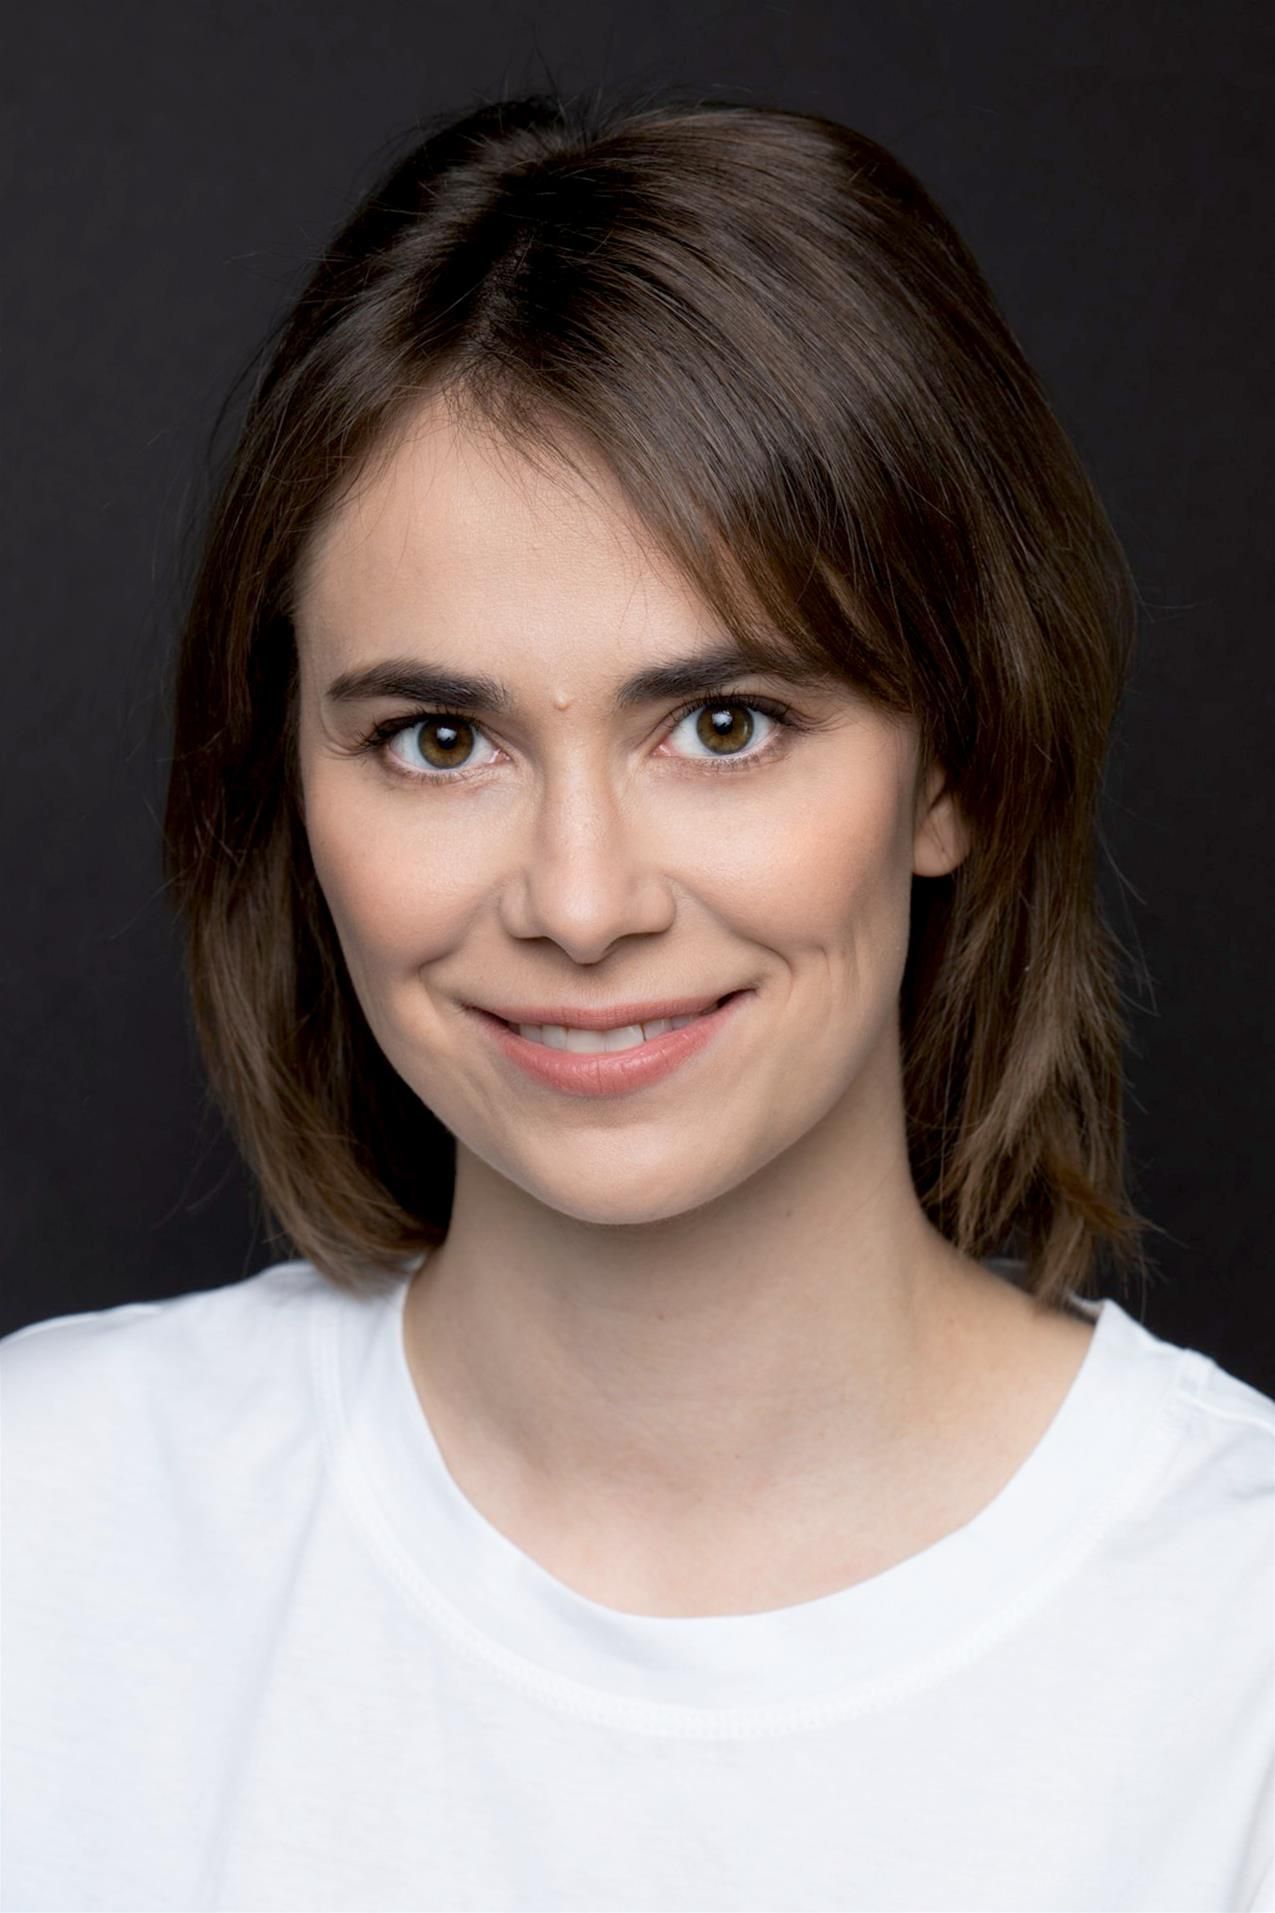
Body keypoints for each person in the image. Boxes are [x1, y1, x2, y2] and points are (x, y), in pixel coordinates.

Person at [2, 89, 1271, 1913]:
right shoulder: (42, 1540)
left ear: (956, 764)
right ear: (288, 781)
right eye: (439, 740)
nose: (582, 904)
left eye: (723, 724)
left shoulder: (1236, 1650)